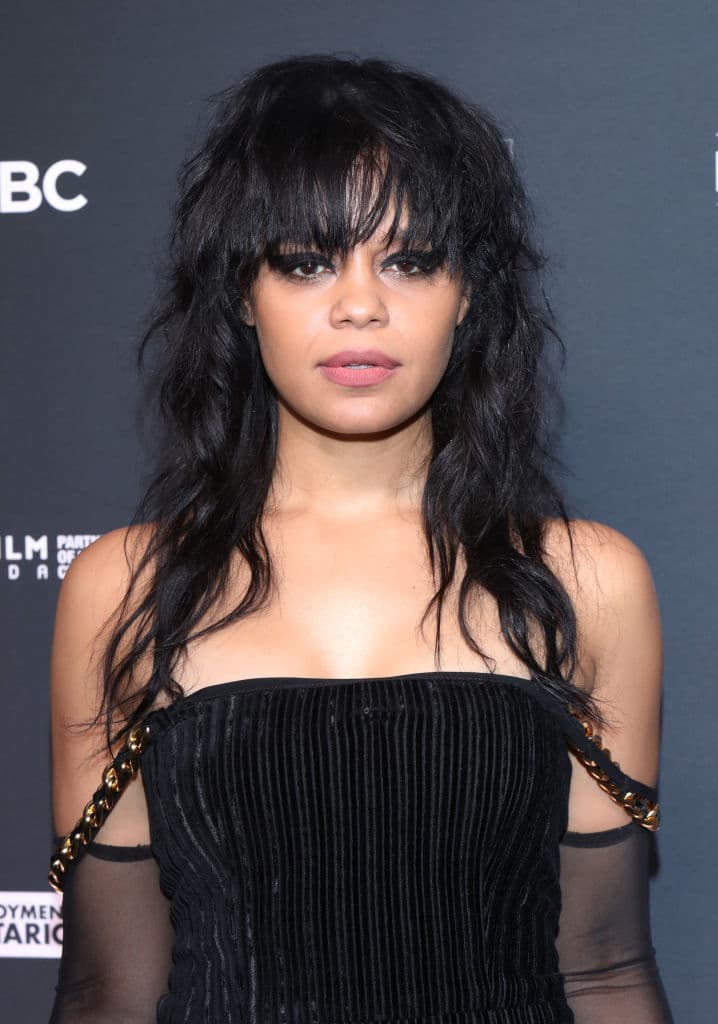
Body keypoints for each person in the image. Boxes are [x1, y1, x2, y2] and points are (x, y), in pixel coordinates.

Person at [47, 53, 673, 1023]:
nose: (358, 304)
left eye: (410, 259)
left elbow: (603, 971)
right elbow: (107, 990)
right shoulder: (126, 586)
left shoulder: (585, 581)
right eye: (304, 260)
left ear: (468, 295)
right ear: (241, 296)